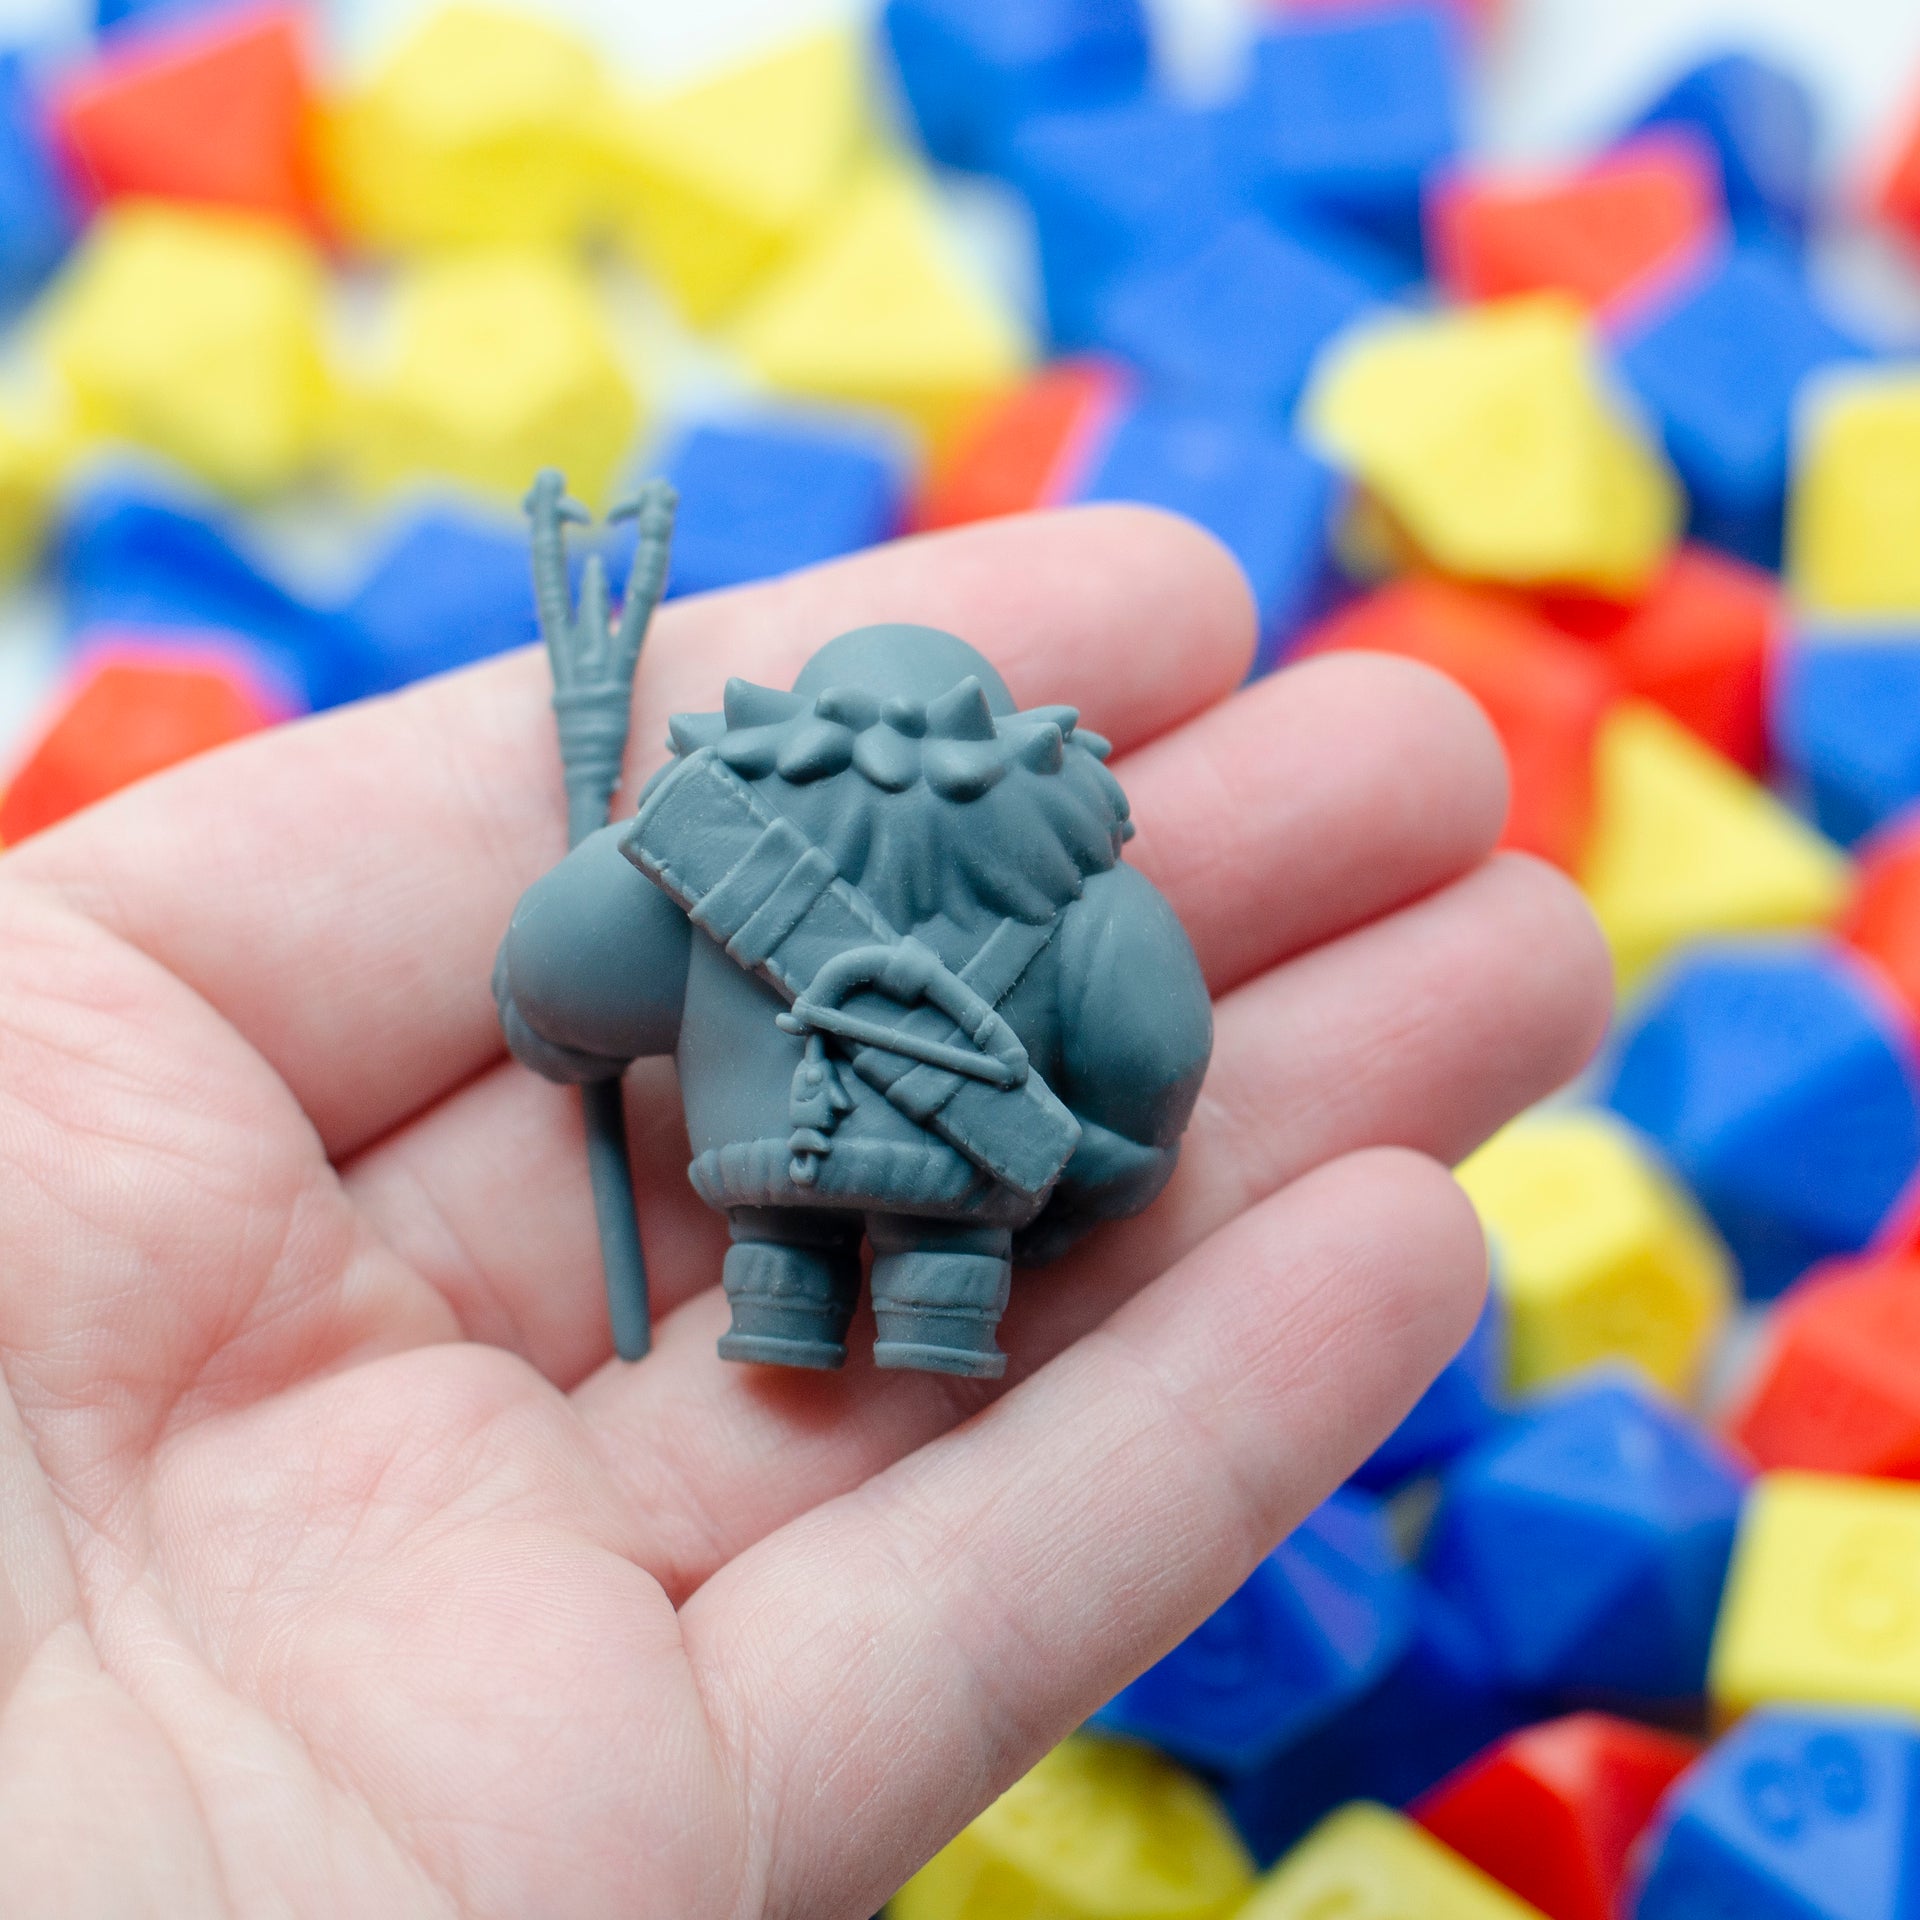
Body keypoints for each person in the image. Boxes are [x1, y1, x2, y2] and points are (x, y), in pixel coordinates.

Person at [0, 506, 1609, 1917]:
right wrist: (1109, 1158)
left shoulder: (714, 846)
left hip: (759, 1161)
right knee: (949, 1270)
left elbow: (569, 973)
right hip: (979, 1185)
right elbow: (1149, 1040)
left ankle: (782, 1302)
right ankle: (941, 1312)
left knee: (780, 1258)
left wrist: (557, 1013)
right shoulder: (1071, 875)